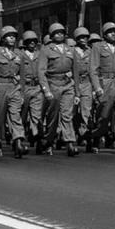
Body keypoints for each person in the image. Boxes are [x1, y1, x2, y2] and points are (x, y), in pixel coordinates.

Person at [89, 21, 115, 154]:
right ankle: (96, 137)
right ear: (104, 34)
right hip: (105, 83)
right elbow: (93, 69)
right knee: (104, 114)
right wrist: (97, 87)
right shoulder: (97, 47)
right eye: (110, 31)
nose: (113, 34)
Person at [38, 23, 80, 156]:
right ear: (51, 36)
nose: (59, 35)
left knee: (67, 115)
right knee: (53, 117)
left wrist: (77, 92)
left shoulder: (70, 49)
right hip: (52, 84)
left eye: (61, 32)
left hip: (67, 84)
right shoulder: (46, 50)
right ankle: (48, 141)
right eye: (56, 33)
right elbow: (41, 71)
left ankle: (70, 143)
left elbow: (75, 71)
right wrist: (46, 90)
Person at [0, 26, 27, 157]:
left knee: (15, 115)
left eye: (14, 36)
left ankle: (18, 141)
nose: (12, 38)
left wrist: (21, 90)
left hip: (14, 87)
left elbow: (23, 74)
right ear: (3, 38)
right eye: (9, 36)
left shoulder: (19, 54)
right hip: (0, 86)